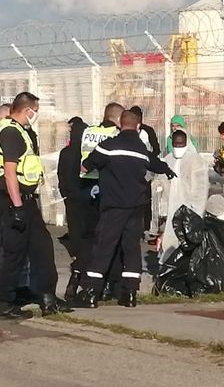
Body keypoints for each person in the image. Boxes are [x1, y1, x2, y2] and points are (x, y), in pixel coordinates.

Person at [73, 110, 175, 309]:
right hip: (136, 206)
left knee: (103, 247)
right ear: (138, 127)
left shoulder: (108, 147)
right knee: (131, 249)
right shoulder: (141, 150)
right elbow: (158, 164)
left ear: (120, 125)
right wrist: (168, 170)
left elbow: (86, 166)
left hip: (113, 206)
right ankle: (129, 294)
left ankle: (91, 292)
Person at [0, 92, 70, 320]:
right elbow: (10, 171)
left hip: (22, 198)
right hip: (11, 197)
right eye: (35, 111)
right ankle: (4, 304)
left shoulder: (15, 130)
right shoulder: (11, 132)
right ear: (26, 110)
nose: (35, 116)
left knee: (42, 248)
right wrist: (17, 206)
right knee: (14, 253)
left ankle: (47, 299)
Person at [76, 102, 125, 300]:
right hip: (107, 188)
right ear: (117, 118)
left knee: (90, 238)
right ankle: (108, 284)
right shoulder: (115, 135)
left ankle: (84, 279)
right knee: (110, 239)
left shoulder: (88, 132)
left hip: (86, 186)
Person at [160, 130, 209, 257]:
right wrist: (162, 211)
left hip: (189, 211)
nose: (179, 147)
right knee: (169, 243)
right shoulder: (167, 161)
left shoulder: (196, 161)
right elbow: (162, 188)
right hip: (171, 210)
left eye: (181, 144)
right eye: (176, 144)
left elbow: (201, 189)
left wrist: (197, 212)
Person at [58, 117, 90, 299]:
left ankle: (77, 258)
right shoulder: (87, 153)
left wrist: (65, 192)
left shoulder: (66, 153)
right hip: (87, 197)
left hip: (70, 197)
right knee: (88, 233)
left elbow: (61, 175)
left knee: (75, 230)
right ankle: (82, 268)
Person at [130, 106, 160, 235]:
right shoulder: (125, 130)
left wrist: (149, 160)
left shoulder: (148, 131)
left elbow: (156, 149)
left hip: (145, 171)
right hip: (129, 171)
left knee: (146, 199)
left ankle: (146, 227)